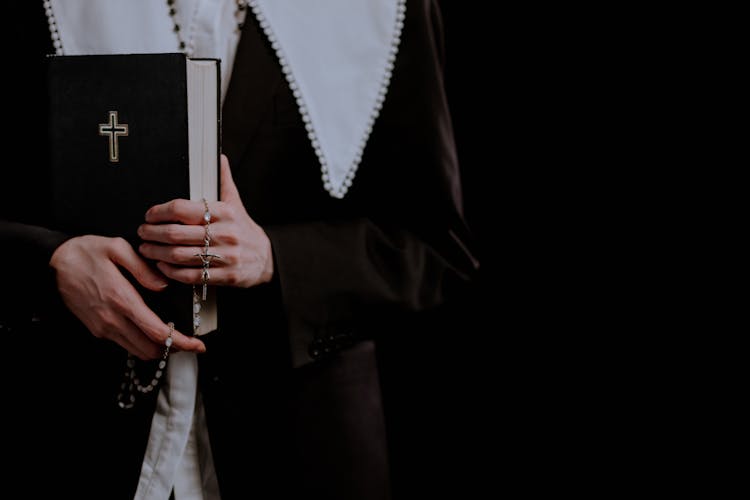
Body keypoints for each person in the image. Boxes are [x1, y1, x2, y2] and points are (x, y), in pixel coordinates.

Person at [0, 1, 477, 498]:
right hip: (68, 429)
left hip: (299, 445)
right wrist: (50, 265)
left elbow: (437, 247)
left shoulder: (385, 9)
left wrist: (274, 258)